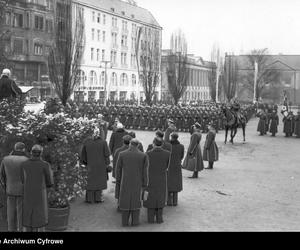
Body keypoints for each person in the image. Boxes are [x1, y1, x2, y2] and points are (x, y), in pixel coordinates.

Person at [116, 139, 149, 227]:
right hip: (138, 181)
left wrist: (118, 179)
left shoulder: (122, 154)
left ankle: (125, 222)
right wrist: (145, 183)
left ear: (130, 144)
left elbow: (118, 169)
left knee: (125, 200)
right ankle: (135, 222)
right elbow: (145, 171)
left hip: (125, 181)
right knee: (136, 200)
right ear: (138, 145)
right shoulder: (143, 155)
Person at [20, 145, 53, 232]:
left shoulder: (24, 164)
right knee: (40, 216)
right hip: (40, 193)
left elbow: (22, 180)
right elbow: (49, 182)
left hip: (27, 193)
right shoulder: (45, 165)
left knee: (27, 214)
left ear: (31, 152)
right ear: (41, 153)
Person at [0, 142, 28, 232]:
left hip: (10, 190)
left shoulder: (5, 159)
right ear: (23, 149)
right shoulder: (27, 160)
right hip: (23, 190)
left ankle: (11, 231)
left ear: (15, 148)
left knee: (10, 213)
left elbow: (1, 176)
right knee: (21, 214)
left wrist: (6, 187)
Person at [81, 128, 111, 203]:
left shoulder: (86, 142)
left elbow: (83, 155)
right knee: (98, 182)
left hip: (90, 165)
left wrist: (84, 163)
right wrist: (107, 164)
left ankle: (89, 199)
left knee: (90, 181)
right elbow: (106, 154)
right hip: (101, 166)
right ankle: (98, 198)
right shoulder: (103, 142)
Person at [144, 137, 170, 223]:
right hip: (162, 178)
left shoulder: (148, 153)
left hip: (150, 178)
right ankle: (159, 218)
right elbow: (166, 166)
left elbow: (145, 166)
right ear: (162, 144)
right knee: (160, 197)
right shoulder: (167, 153)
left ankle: (150, 218)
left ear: (153, 144)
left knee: (150, 197)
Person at [167, 133, 184, 206]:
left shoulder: (168, 146)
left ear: (171, 137)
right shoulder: (181, 146)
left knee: (169, 182)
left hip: (169, 166)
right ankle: (175, 201)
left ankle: (169, 201)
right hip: (177, 166)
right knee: (176, 182)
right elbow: (182, 156)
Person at [113, 135, 132, 202]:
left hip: (120, 173)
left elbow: (115, 164)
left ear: (123, 142)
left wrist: (115, 175)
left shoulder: (118, 151)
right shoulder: (134, 152)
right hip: (130, 173)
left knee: (119, 188)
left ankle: (119, 203)